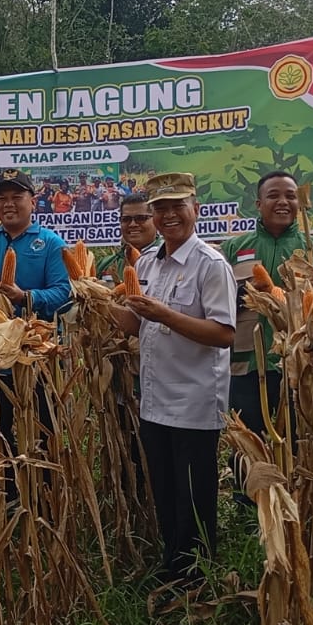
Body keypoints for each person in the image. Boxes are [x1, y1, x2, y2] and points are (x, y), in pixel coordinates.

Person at [108, 173, 236, 583]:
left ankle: (199, 575)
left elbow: (223, 333)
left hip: (195, 399)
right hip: (154, 397)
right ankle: (172, 566)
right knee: (163, 489)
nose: (168, 216)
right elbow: (134, 325)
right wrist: (92, 299)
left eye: (177, 206)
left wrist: (165, 315)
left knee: (195, 493)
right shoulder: (146, 262)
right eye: (159, 209)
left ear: (195, 210)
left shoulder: (211, 265)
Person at [0, 169, 74, 445]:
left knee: (42, 440)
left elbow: (65, 293)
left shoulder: (51, 244)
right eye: (1, 198)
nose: (8, 204)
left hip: (37, 362)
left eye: (17, 197)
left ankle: (44, 488)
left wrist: (24, 297)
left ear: (32, 201)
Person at [221, 171, 313, 437]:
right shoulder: (235, 248)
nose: (283, 201)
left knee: (300, 440)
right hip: (247, 362)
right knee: (248, 441)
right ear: (259, 204)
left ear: (300, 203)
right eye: (273, 195)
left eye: (290, 196)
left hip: (302, 362)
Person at [97, 191, 157, 281]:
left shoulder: (168, 260)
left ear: (156, 220)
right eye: (126, 219)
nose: (132, 224)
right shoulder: (106, 264)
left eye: (141, 218)